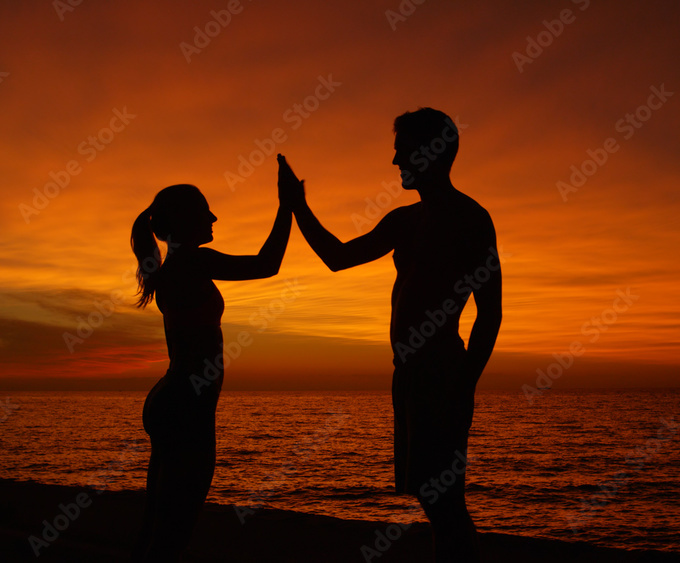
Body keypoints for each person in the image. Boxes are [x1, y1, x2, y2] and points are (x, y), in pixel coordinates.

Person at [279, 108, 502, 562]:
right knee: (431, 497)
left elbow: (490, 313)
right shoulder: (404, 221)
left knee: (444, 501)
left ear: (430, 152)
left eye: (403, 150)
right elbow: (338, 257)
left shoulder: (471, 218)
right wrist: (297, 206)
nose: (394, 160)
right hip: (410, 376)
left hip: (442, 373)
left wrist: (463, 384)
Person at [130, 164, 292, 561]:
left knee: (159, 522)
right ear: (185, 220)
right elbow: (267, 264)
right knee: (174, 529)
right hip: (186, 406)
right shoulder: (193, 261)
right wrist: (287, 207)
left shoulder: (174, 267)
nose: (214, 217)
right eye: (206, 210)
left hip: (174, 400)